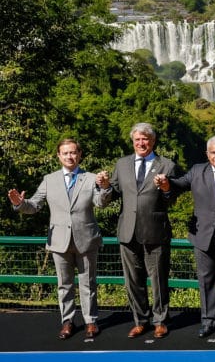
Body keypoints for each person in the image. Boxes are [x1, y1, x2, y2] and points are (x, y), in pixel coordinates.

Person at [7, 139, 111, 340]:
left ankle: (91, 321)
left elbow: (100, 203)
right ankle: (67, 321)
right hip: (59, 240)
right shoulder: (49, 179)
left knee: (88, 283)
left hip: (86, 239)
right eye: (65, 153)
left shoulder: (90, 178)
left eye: (73, 153)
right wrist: (20, 204)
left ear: (80, 154)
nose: (69, 156)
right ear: (59, 156)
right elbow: (34, 205)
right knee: (64, 284)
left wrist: (105, 187)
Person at [156, 135, 215, 338]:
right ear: (207, 154)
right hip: (203, 235)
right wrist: (166, 184)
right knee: (206, 280)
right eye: (214, 153)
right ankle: (208, 321)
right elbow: (178, 185)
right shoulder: (196, 171)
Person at [102, 122, 177, 339]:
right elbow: (112, 194)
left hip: (155, 230)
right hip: (127, 231)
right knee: (133, 280)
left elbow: (171, 199)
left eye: (145, 139)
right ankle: (140, 320)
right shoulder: (122, 164)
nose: (141, 143)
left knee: (158, 280)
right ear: (132, 142)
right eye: (137, 139)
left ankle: (161, 320)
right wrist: (105, 185)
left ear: (153, 141)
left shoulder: (167, 165)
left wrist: (166, 188)